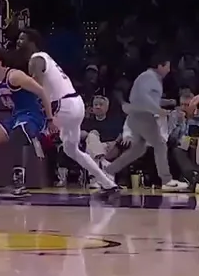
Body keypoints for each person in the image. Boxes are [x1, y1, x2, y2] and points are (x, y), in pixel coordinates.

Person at [17, 30, 120, 196]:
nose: (18, 41)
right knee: (71, 149)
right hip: (75, 103)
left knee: (25, 130)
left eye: (22, 39)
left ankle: (19, 183)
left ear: (32, 42)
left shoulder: (36, 59)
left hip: (63, 106)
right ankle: (107, 183)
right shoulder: (46, 58)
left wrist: (48, 118)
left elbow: (38, 89)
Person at [0, 47, 55, 199]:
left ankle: (19, 185)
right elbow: (9, 101)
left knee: (17, 135)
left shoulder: (15, 76)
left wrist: (50, 119)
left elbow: (42, 92)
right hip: (16, 116)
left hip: (33, 115)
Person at [102, 54, 190, 191]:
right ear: (160, 66)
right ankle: (166, 180)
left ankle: (109, 170)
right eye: (167, 66)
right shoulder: (150, 78)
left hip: (136, 116)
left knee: (138, 149)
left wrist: (167, 103)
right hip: (143, 115)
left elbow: (146, 98)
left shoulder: (147, 77)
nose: (169, 70)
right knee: (160, 145)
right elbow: (144, 98)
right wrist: (158, 110)